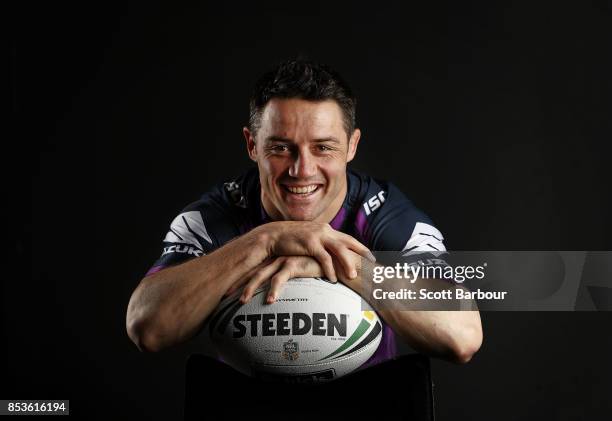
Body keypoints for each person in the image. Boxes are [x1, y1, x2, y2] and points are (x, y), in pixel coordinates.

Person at [126, 59, 482, 364]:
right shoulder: (214, 216)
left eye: (323, 148)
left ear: (352, 145)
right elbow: (147, 326)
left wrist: (342, 265)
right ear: (252, 144)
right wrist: (266, 240)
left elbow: (462, 334)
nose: (302, 170)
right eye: (281, 148)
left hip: (369, 407)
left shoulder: (382, 214)